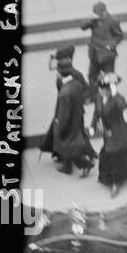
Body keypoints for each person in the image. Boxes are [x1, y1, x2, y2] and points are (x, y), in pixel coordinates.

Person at [41, 46, 96, 176]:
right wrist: (52, 57)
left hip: (73, 110)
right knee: (68, 135)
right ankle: (69, 162)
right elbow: (51, 67)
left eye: (61, 59)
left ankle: (83, 158)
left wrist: (78, 101)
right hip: (63, 107)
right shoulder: (63, 70)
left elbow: (87, 91)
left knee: (70, 135)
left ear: (68, 60)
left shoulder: (76, 75)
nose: (57, 69)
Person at [94, 72, 127, 196]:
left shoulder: (116, 99)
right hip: (106, 132)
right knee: (124, 151)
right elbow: (97, 112)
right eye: (101, 88)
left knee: (112, 157)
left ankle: (115, 183)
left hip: (117, 132)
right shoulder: (99, 98)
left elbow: (123, 105)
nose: (103, 91)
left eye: (106, 89)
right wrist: (94, 124)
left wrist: (115, 94)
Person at [80, 1, 124, 116]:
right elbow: (82, 27)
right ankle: (94, 94)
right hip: (94, 53)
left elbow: (119, 36)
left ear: (104, 12)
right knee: (92, 75)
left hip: (107, 55)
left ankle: (110, 99)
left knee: (108, 77)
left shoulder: (112, 21)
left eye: (98, 14)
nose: (97, 16)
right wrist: (90, 20)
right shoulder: (94, 20)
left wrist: (111, 45)